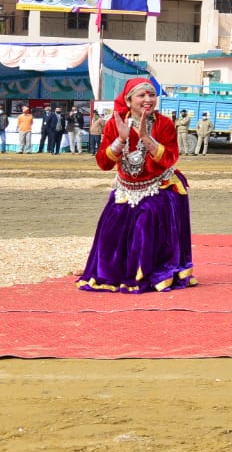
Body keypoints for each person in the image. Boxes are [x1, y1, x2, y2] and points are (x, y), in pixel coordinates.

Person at [77, 78, 194, 293]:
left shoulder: (165, 124)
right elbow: (103, 163)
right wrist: (120, 140)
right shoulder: (115, 123)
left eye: (152, 95)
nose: (148, 100)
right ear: (129, 100)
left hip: (159, 186)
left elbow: (169, 159)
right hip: (125, 187)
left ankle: (152, 272)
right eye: (142, 95)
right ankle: (116, 272)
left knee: (147, 220)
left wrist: (146, 139)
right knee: (109, 232)